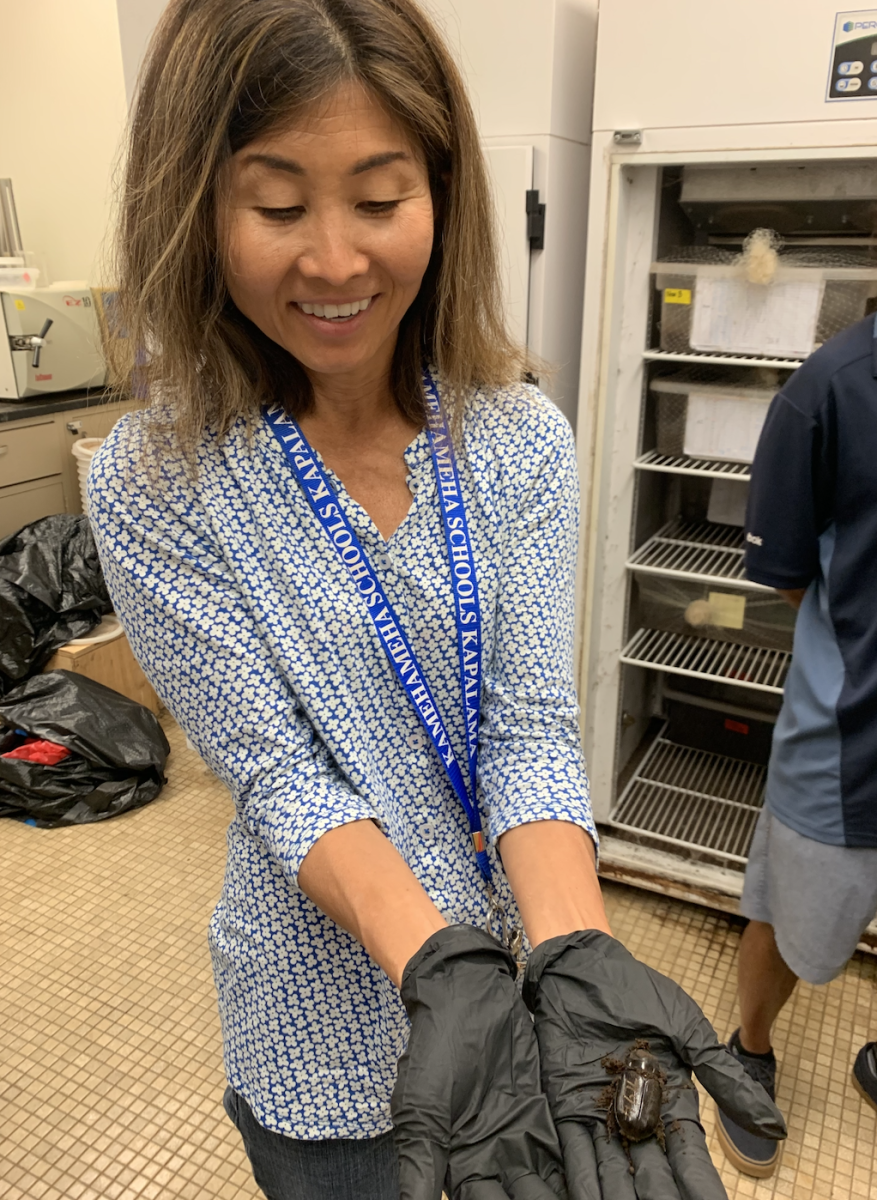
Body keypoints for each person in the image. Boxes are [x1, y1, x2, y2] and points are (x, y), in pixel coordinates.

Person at [88, 2, 784, 1197]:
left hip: (517, 1023)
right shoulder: (158, 480)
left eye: (377, 196)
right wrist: (443, 968)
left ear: (443, 192)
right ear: (192, 209)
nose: (337, 260)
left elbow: (523, 727)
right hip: (316, 1032)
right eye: (275, 204)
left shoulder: (514, 438)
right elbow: (277, 774)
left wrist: (568, 948)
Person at [716, 311, 877, 1178]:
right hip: (849, 737)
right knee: (785, 906)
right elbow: (784, 576)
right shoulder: (826, 390)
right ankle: (748, 1048)